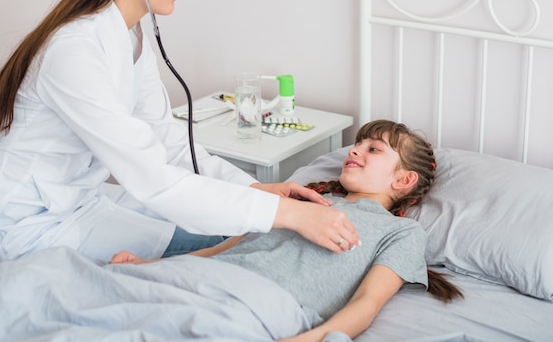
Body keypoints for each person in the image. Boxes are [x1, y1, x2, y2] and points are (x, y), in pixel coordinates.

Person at [0, 0, 359, 275]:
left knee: (241, 231)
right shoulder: (73, 51)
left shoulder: (130, 35)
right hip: (26, 230)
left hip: (76, 203)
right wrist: (287, 214)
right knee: (233, 248)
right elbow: (152, 177)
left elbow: (168, 142)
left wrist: (254, 191)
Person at [110, 120, 464, 341]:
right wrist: (151, 266)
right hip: (204, 277)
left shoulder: (400, 232)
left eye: (373, 149)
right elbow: (224, 249)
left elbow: (367, 303)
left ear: (403, 180)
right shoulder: (308, 201)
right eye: (357, 144)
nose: (354, 150)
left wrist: (312, 339)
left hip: (261, 302)